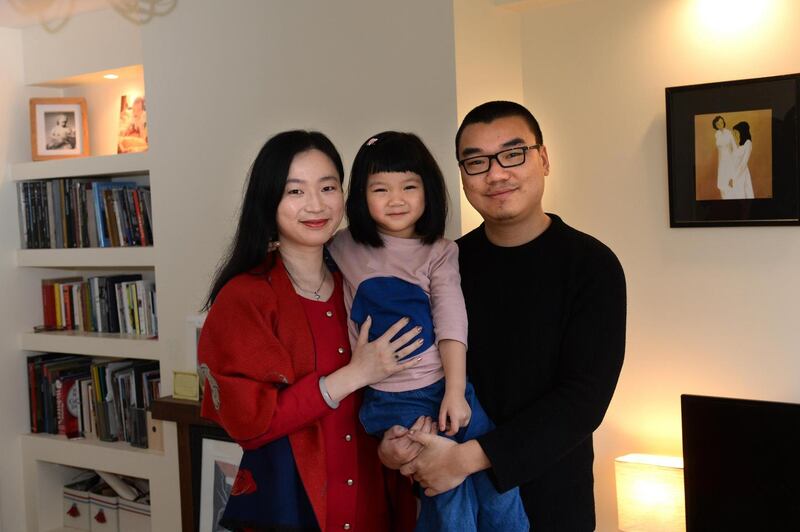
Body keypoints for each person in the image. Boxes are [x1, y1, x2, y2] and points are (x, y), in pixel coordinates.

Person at [380, 101, 627, 531]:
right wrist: (398, 441)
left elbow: (582, 402)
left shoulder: (591, 265)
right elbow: (418, 370)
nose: (496, 174)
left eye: (513, 154)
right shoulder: (445, 263)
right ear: (462, 174)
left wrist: (464, 459)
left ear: (544, 159)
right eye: (476, 162)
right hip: (451, 500)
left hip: (551, 500)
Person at [197, 130, 419, 531]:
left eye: (328, 187)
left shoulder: (360, 280)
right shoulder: (246, 297)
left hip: (375, 500)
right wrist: (353, 375)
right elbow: (251, 423)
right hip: (294, 508)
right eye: (295, 192)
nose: (316, 205)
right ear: (269, 200)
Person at [327, 132, 529, 531]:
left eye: (409, 186)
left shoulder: (439, 251)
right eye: (380, 189)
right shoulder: (344, 246)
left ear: (428, 191)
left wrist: (455, 391)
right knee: (444, 493)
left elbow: (452, 323)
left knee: (498, 479)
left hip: (445, 387)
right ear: (360, 197)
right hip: (394, 401)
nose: (396, 199)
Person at [712, 115, 737, 199]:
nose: (720, 125)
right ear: (715, 125)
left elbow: (734, 148)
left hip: (729, 160)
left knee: (730, 185)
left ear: (724, 123)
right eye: (718, 123)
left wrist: (734, 162)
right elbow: (719, 150)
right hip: (721, 162)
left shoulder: (729, 133)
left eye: (721, 122)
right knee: (722, 186)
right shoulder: (717, 134)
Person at [729, 121, 755, 199]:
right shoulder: (740, 144)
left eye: (737, 132)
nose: (736, 135)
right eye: (734, 133)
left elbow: (743, 163)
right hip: (735, 172)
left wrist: (733, 178)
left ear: (742, 131)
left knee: (744, 195)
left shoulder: (748, 143)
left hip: (742, 173)